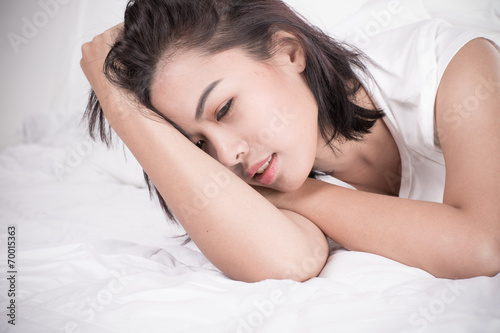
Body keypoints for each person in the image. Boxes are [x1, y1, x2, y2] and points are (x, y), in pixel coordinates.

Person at [80, 0, 500, 283]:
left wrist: (298, 197)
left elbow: (483, 247)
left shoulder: (450, 66)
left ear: (288, 51)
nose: (226, 157)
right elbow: (285, 261)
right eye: (199, 146)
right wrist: (119, 107)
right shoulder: (267, 171)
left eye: (224, 109)